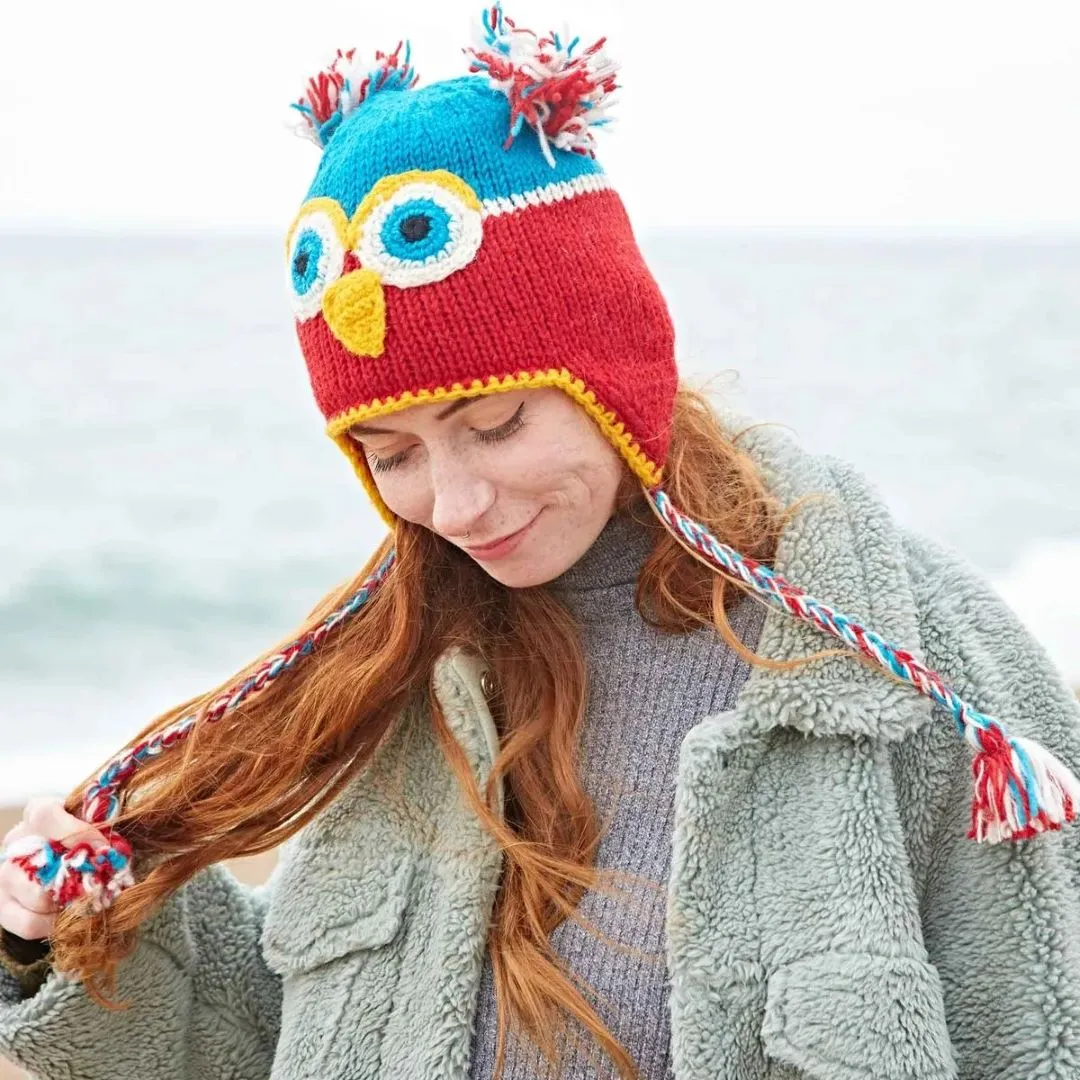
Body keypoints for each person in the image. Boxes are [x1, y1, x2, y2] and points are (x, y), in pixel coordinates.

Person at [2, 8, 1080, 1080]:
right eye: (391, 453)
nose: (457, 506)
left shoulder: (916, 665)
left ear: (616, 376)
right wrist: (87, 928)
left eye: (496, 425)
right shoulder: (405, 664)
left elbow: (1039, 1031)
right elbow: (280, 1036)